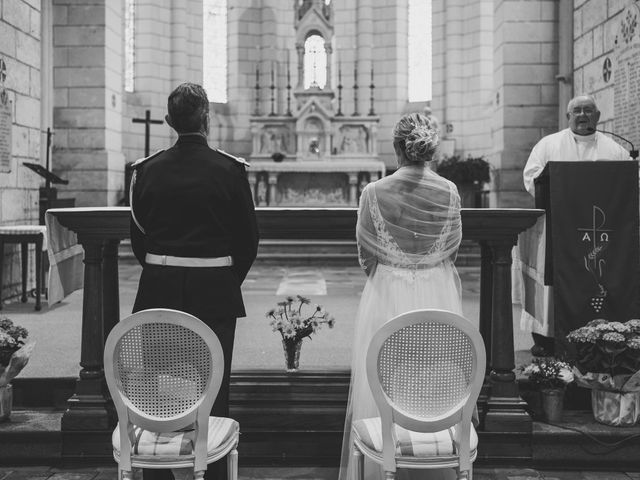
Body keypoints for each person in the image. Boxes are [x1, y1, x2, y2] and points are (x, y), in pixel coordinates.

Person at [130, 83, 259, 480]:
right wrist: (220, 275)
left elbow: (139, 240)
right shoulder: (230, 170)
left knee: (157, 383)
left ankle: (157, 466)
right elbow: (248, 241)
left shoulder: (145, 171)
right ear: (207, 118)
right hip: (215, 294)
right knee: (212, 385)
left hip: (159, 290)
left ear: (169, 122)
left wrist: (165, 270)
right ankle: (211, 467)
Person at [338, 113, 464, 480]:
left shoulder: (373, 192)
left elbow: (366, 254)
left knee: (386, 374)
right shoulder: (450, 191)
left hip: (387, 291)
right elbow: (452, 250)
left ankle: (386, 463)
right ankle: (433, 461)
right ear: (429, 149)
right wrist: (427, 268)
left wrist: (394, 271)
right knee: (436, 373)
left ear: (396, 148)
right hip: (437, 288)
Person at [520, 94, 631, 356]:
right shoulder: (549, 145)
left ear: (598, 116)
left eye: (588, 110)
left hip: (604, 230)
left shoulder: (615, 149)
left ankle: (606, 333)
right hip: (560, 227)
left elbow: (628, 181)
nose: (583, 115)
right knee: (556, 278)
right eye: (577, 111)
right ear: (568, 116)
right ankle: (548, 338)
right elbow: (532, 177)